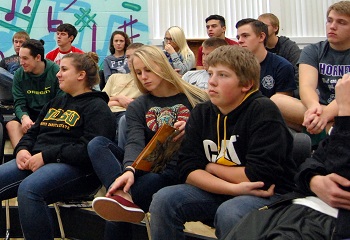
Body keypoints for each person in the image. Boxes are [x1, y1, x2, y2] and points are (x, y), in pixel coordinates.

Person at [149, 45, 297, 240]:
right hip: (227, 190)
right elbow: (187, 169)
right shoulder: (202, 112)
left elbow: (258, 176)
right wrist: (232, 188)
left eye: (223, 75)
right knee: (163, 200)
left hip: (270, 195)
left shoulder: (263, 110)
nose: (212, 82)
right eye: (210, 73)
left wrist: (210, 167)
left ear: (246, 84)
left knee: (230, 212)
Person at [88, 45, 208, 240]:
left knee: (116, 212)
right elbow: (134, 141)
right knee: (97, 144)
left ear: (162, 66)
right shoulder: (139, 104)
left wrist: (192, 127)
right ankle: (122, 195)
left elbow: (214, 136)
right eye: (138, 72)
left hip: (180, 169)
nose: (143, 76)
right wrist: (129, 170)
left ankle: (122, 198)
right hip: (146, 164)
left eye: (148, 70)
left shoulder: (196, 98)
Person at [0, 52, 116, 240]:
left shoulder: (98, 107)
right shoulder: (56, 102)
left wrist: (46, 156)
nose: (57, 74)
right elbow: (32, 133)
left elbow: (90, 149)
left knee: (29, 190)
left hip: (77, 169)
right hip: (37, 160)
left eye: (63, 69)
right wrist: (22, 150)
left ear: (81, 75)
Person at [224, 73, 350, 240]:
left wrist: (345, 113)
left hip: (331, 222)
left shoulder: (344, 123)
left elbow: (342, 176)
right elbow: (313, 162)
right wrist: (313, 181)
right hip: (302, 206)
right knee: (242, 229)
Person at [270, 1, 350, 146]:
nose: (332, 26)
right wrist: (314, 107)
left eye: (341, 22)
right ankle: (329, 129)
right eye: (330, 21)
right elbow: (306, 86)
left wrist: (325, 115)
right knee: (277, 101)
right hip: (316, 108)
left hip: (346, 108)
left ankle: (320, 128)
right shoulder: (313, 50)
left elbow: (347, 95)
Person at [6, 39, 63, 148]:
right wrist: (24, 117)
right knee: (12, 125)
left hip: (50, 116)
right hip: (30, 115)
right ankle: (22, 155)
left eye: (25, 58)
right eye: (20, 58)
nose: (21, 62)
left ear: (38, 57)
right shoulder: (19, 74)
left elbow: (60, 103)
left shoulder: (56, 72)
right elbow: (19, 102)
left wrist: (42, 122)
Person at [236, 18, 296, 98]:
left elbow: (282, 104)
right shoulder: (234, 66)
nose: (240, 41)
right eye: (238, 37)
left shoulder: (282, 67)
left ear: (261, 37)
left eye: (245, 36)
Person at [102, 43, 143, 132]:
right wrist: (119, 98)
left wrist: (112, 101)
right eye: (127, 57)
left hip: (127, 114)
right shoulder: (115, 77)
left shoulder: (144, 79)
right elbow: (101, 101)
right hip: (107, 112)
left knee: (123, 120)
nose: (130, 60)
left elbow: (135, 104)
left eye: (134, 56)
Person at [258, 13, 301, 91]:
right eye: (258, 26)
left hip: (288, 89)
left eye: (264, 26)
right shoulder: (257, 46)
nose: (260, 29)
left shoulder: (289, 47)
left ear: (275, 28)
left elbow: (299, 72)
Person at [0, 31, 30, 104]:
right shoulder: (5, 60)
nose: (18, 45)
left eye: (21, 42)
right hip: (10, 91)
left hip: (26, 87)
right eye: (16, 42)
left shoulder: (31, 58)